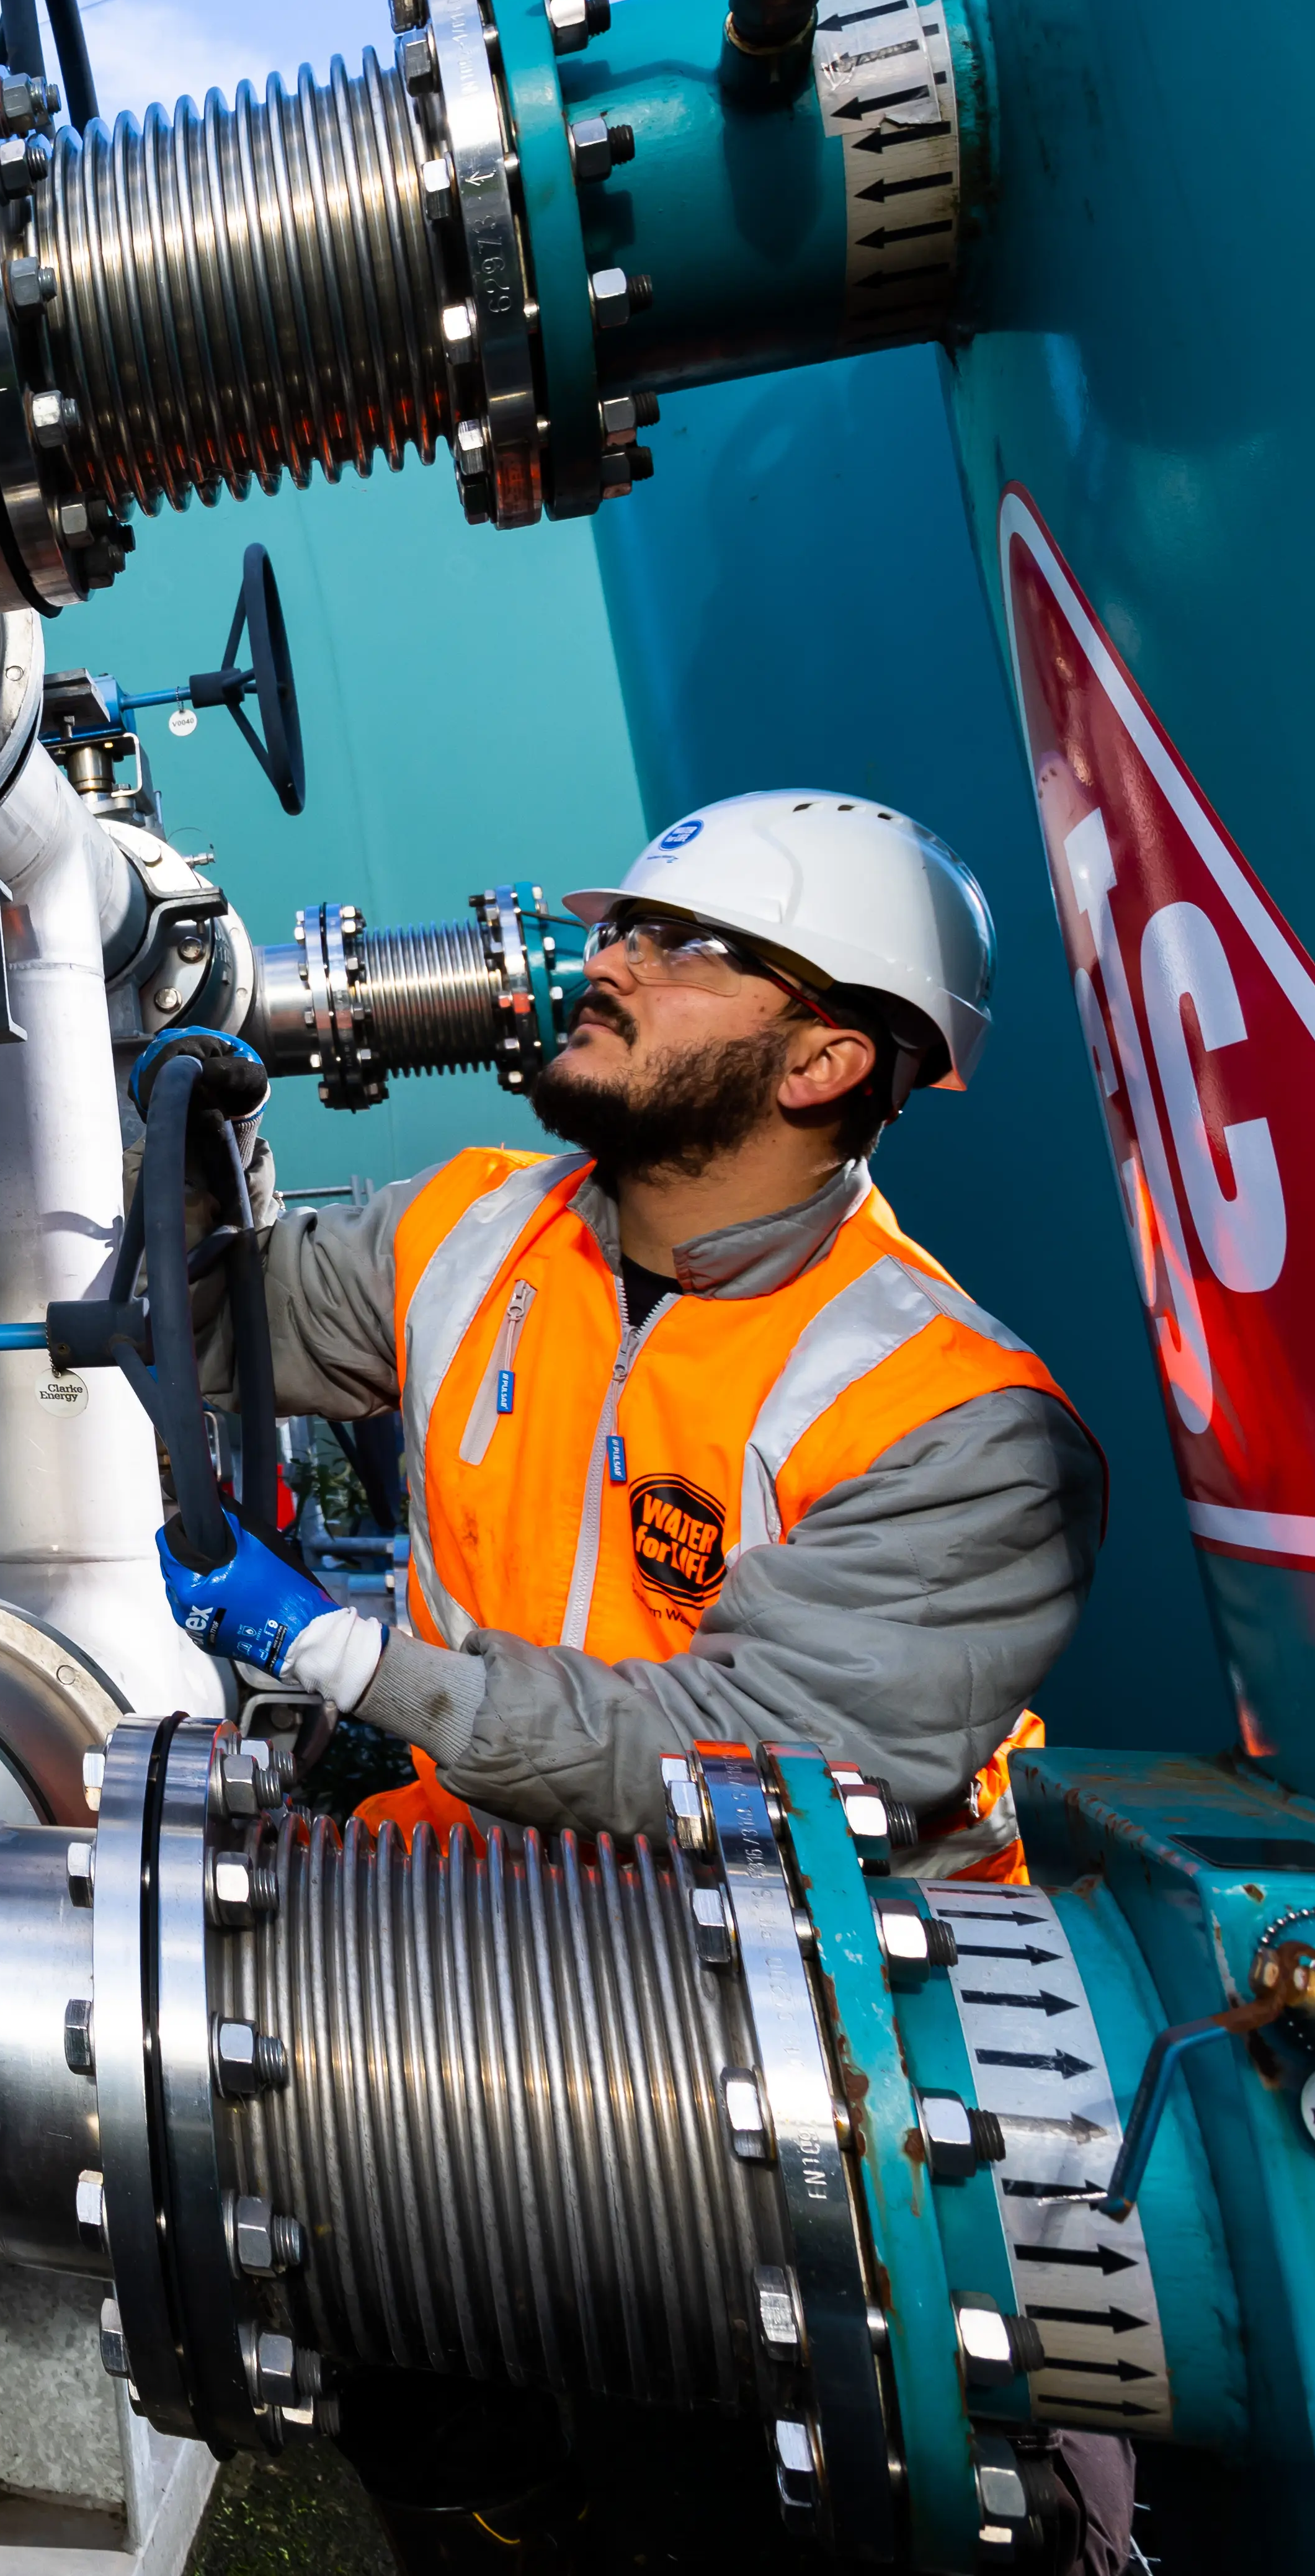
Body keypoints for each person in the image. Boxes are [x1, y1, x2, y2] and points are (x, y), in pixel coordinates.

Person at [159, 791, 1102, 1862]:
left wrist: (352, 1661)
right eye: (622, 931)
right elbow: (202, 1328)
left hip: (818, 1962)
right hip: (492, 1878)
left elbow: (757, 1755)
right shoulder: (466, 1228)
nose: (606, 967)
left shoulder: (958, 1424)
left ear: (821, 1064)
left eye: (685, 947)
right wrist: (189, 1135)